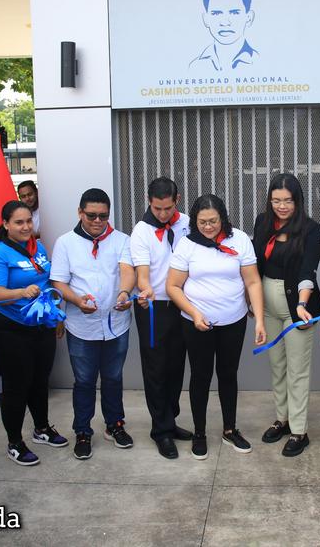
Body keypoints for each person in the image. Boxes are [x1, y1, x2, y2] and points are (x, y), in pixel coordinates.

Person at [167, 194, 266, 460]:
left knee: (228, 375)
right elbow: (173, 287)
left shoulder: (240, 240)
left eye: (213, 221)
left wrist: (259, 318)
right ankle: (199, 433)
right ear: (194, 220)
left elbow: (253, 282)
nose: (208, 227)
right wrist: (194, 313)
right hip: (196, 322)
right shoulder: (187, 245)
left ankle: (230, 429)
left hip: (232, 321)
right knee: (200, 377)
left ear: (223, 218)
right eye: (202, 222)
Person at [51, 188, 136, 460]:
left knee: (113, 377)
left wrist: (124, 293)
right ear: (80, 213)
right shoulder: (65, 243)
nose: (98, 221)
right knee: (85, 380)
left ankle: (115, 425)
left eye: (103, 216)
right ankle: (83, 431)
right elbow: (59, 282)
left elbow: (127, 270)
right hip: (81, 325)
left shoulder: (121, 239)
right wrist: (76, 300)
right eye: (91, 215)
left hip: (115, 322)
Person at [0, 200, 68, 466]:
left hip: (41, 326)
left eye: (29, 221)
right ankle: (14, 442)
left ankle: (41, 428)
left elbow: (47, 283)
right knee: (17, 386)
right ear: (6, 224)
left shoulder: (38, 247)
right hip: (10, 329)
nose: (25, 227)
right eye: (19, 222)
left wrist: (56, 317)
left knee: (40, 380)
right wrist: (21, 292)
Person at [252, 173, 320, 457]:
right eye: (276, 200)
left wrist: (302, 304)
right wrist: (253, 302)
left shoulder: (310, 229)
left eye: (287, 201)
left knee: (297, 371)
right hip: (267, 305)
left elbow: (308, 271)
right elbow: (254, 266)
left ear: (298, 201)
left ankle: (299, 430)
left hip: (297, 308)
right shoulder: (262, 222)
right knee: (277, 366)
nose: (281, 206)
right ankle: (281, 419)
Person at [130, 177, 193, 459]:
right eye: (157, 209)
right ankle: (161, 431)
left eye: (167, 208)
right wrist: (144, 289)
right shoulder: (141, 230)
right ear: (149, 202)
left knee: (177, 366)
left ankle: (171, 418)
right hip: (154, 305)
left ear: (176, 200)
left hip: (183, 303)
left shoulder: (188, 223)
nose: (163, 214)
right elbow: (142, 272)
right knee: (156, 368)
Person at [190, 0, 258, 72]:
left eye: (234, 13)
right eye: (216, 13)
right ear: (206, 19)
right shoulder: (195, 66)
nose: (225, 22)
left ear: (249, 18)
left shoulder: (259, 61)